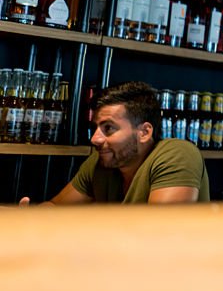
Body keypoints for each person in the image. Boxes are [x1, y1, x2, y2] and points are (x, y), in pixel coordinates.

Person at [19, 81, 210, 204]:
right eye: (95, 128)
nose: (95, 139)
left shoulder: (177, 154)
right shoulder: (102, 162)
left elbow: (158, 233)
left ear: (144, 132)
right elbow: (55, 207)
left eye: (108, 128)